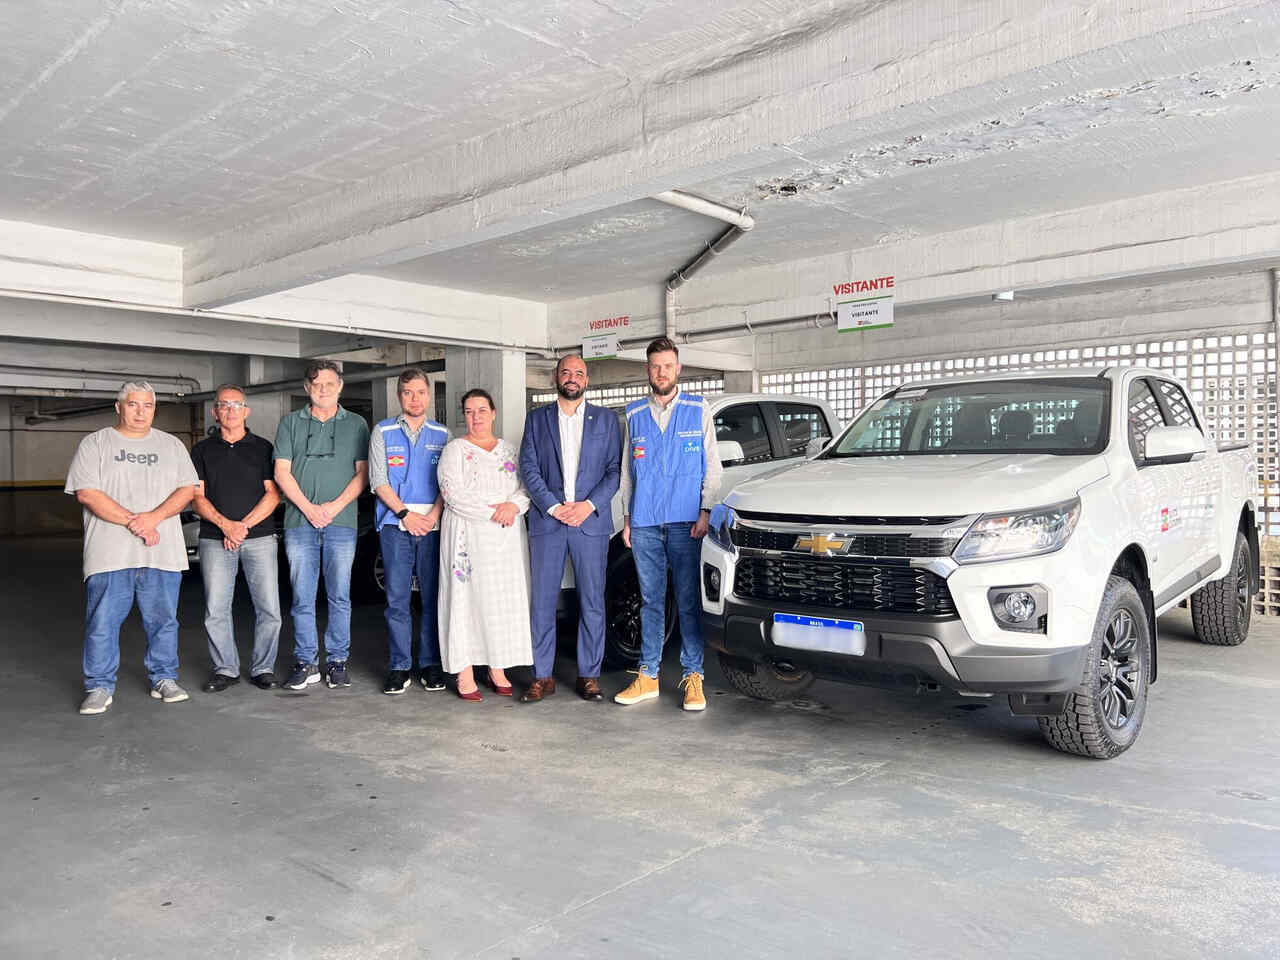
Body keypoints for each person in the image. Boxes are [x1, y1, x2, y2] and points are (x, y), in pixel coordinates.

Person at [65, 381, 201, 714]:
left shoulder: (171, 445)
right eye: (133, 404)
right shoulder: (95, 443)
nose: (141, 412)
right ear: (119, 407)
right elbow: (87, 493)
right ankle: (99, 686)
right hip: (110, 553)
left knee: (163, 621)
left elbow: (188, 490)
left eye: (148, 405)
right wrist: (135, 522)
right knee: (102, 623)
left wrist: (153, 518)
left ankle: (164, 678)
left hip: (162, 553)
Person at [615, 337, 722, 712]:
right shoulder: (634, 414)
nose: (661, 372)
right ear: (648, 370)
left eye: (667, 366)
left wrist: (706, 511)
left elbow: (712, 466)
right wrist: (627, 520)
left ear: (678, 369)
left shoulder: (697, 409)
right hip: (645, 522)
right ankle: (648, 676)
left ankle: (694, 676)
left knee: (688, 601)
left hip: (686, 522)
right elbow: (627, 474)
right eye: (655, 366)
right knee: (650, 602)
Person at [517, 354, 621, 702]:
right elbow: (529, 468)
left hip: (589, 522)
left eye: (579, 373)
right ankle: (541, 676)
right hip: (549, 520)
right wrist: (553, 506)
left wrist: (587, 506)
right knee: (542, 601)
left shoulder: (606, 420)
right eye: (566, 372)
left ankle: (589, 675)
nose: (572, 377)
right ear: (555, 378)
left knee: (592, 600)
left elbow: (614, 472)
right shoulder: (537, 419)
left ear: (587, 380)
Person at [273, 360, 370, 691]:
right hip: (299, 522)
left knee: (339, 596)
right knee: (302, 596)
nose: (323, 390)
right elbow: (281, 472)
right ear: (307, 388)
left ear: (340, 386)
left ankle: (337, 662)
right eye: (317, 385)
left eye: (330, 384)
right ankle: (306, 662)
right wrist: (309, 509)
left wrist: (332, 507)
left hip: (341, 522)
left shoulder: (356, 424)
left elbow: (363, 474)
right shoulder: (290, 423)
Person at [437, 388, 532, 700]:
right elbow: (452, 494)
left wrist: (513, 506)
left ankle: (497, 666)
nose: (475, 417)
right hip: (468, 535)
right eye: (469, 411)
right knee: (466, 600)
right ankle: (464, 670)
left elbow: (526, 487)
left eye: (481, 410)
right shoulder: (454, 451)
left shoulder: (510, 451)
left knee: (499, 601)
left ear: (493, 413)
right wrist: (494, 512)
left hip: (505, 539)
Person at [190, 384, 282, 692]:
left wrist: (241, 526)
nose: (230, 410)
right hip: (214, 538)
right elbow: (197, 498)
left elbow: (273, 494)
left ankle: (263, 668)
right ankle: (225, 669)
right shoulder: (202, 450)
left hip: (260, 538)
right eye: (224, 405)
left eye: (236, 405)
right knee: (216, 609)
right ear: (215, 412)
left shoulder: (263, 448)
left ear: (247, 411)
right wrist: (225, 525)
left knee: (269, 607)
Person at [370, 368, 449, 695]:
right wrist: (405, 514)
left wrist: (431, 516)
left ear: (428, 395)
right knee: (397, 599)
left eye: (420, 392)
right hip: (395, 525)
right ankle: (399, 666)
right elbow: (378, 481)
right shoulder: (383, 431)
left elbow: (447, 484)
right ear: (399, 396)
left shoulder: (442, 434)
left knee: (432, 597)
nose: (414, 399)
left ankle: (430, 664)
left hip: (431, 526)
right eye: (407, 392)